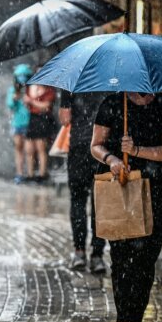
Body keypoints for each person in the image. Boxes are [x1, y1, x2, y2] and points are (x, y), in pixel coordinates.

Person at [91, 92, 162, 322]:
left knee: (145, 261)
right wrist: (111, 159)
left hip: (159, 194)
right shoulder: (112, 103)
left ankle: (136, 321)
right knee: (121, 259)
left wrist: (136, 150)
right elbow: (96, 145)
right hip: (121, 191)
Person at [59, 91, 107, 273]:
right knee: (100, 203)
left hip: (79, 147)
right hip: (103, 150)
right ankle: (97, 256)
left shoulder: (73, 82)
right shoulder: (112, 78)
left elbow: (64, 119)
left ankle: (79, 252)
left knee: (78, 200)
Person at [24, 67, 55, 183]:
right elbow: (28, 103)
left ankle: (42, 174)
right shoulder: (31, 88)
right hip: (33, 119)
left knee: (41, 147)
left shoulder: (49, 90)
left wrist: (32, 102)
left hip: (43, 119)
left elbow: (46, 106)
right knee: (29, 149)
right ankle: (30, 173)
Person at [5, 64, 32, 184]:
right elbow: (10, 105)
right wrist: (14, 99)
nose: (22, 78)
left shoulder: (31, 89)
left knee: (29, 150)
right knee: (18, 148)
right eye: (20, 76)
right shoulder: (12, 90)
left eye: (24, 76)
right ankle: (19, 173)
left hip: (29, 122)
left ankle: (30, 174)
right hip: (17, 123)